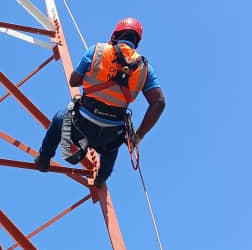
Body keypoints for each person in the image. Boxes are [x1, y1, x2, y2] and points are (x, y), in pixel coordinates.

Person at [35, 17, 165, 186]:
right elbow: (159, 102)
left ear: (115, 34)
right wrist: (137, 136)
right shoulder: (145, 67)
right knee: (112, 148)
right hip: (109, 137)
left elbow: (74, 81)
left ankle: (44, 159)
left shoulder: (97, 50)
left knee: (60, 118)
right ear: (137, 41)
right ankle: (101, 179)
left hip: (81, 127)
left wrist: (97, 76)